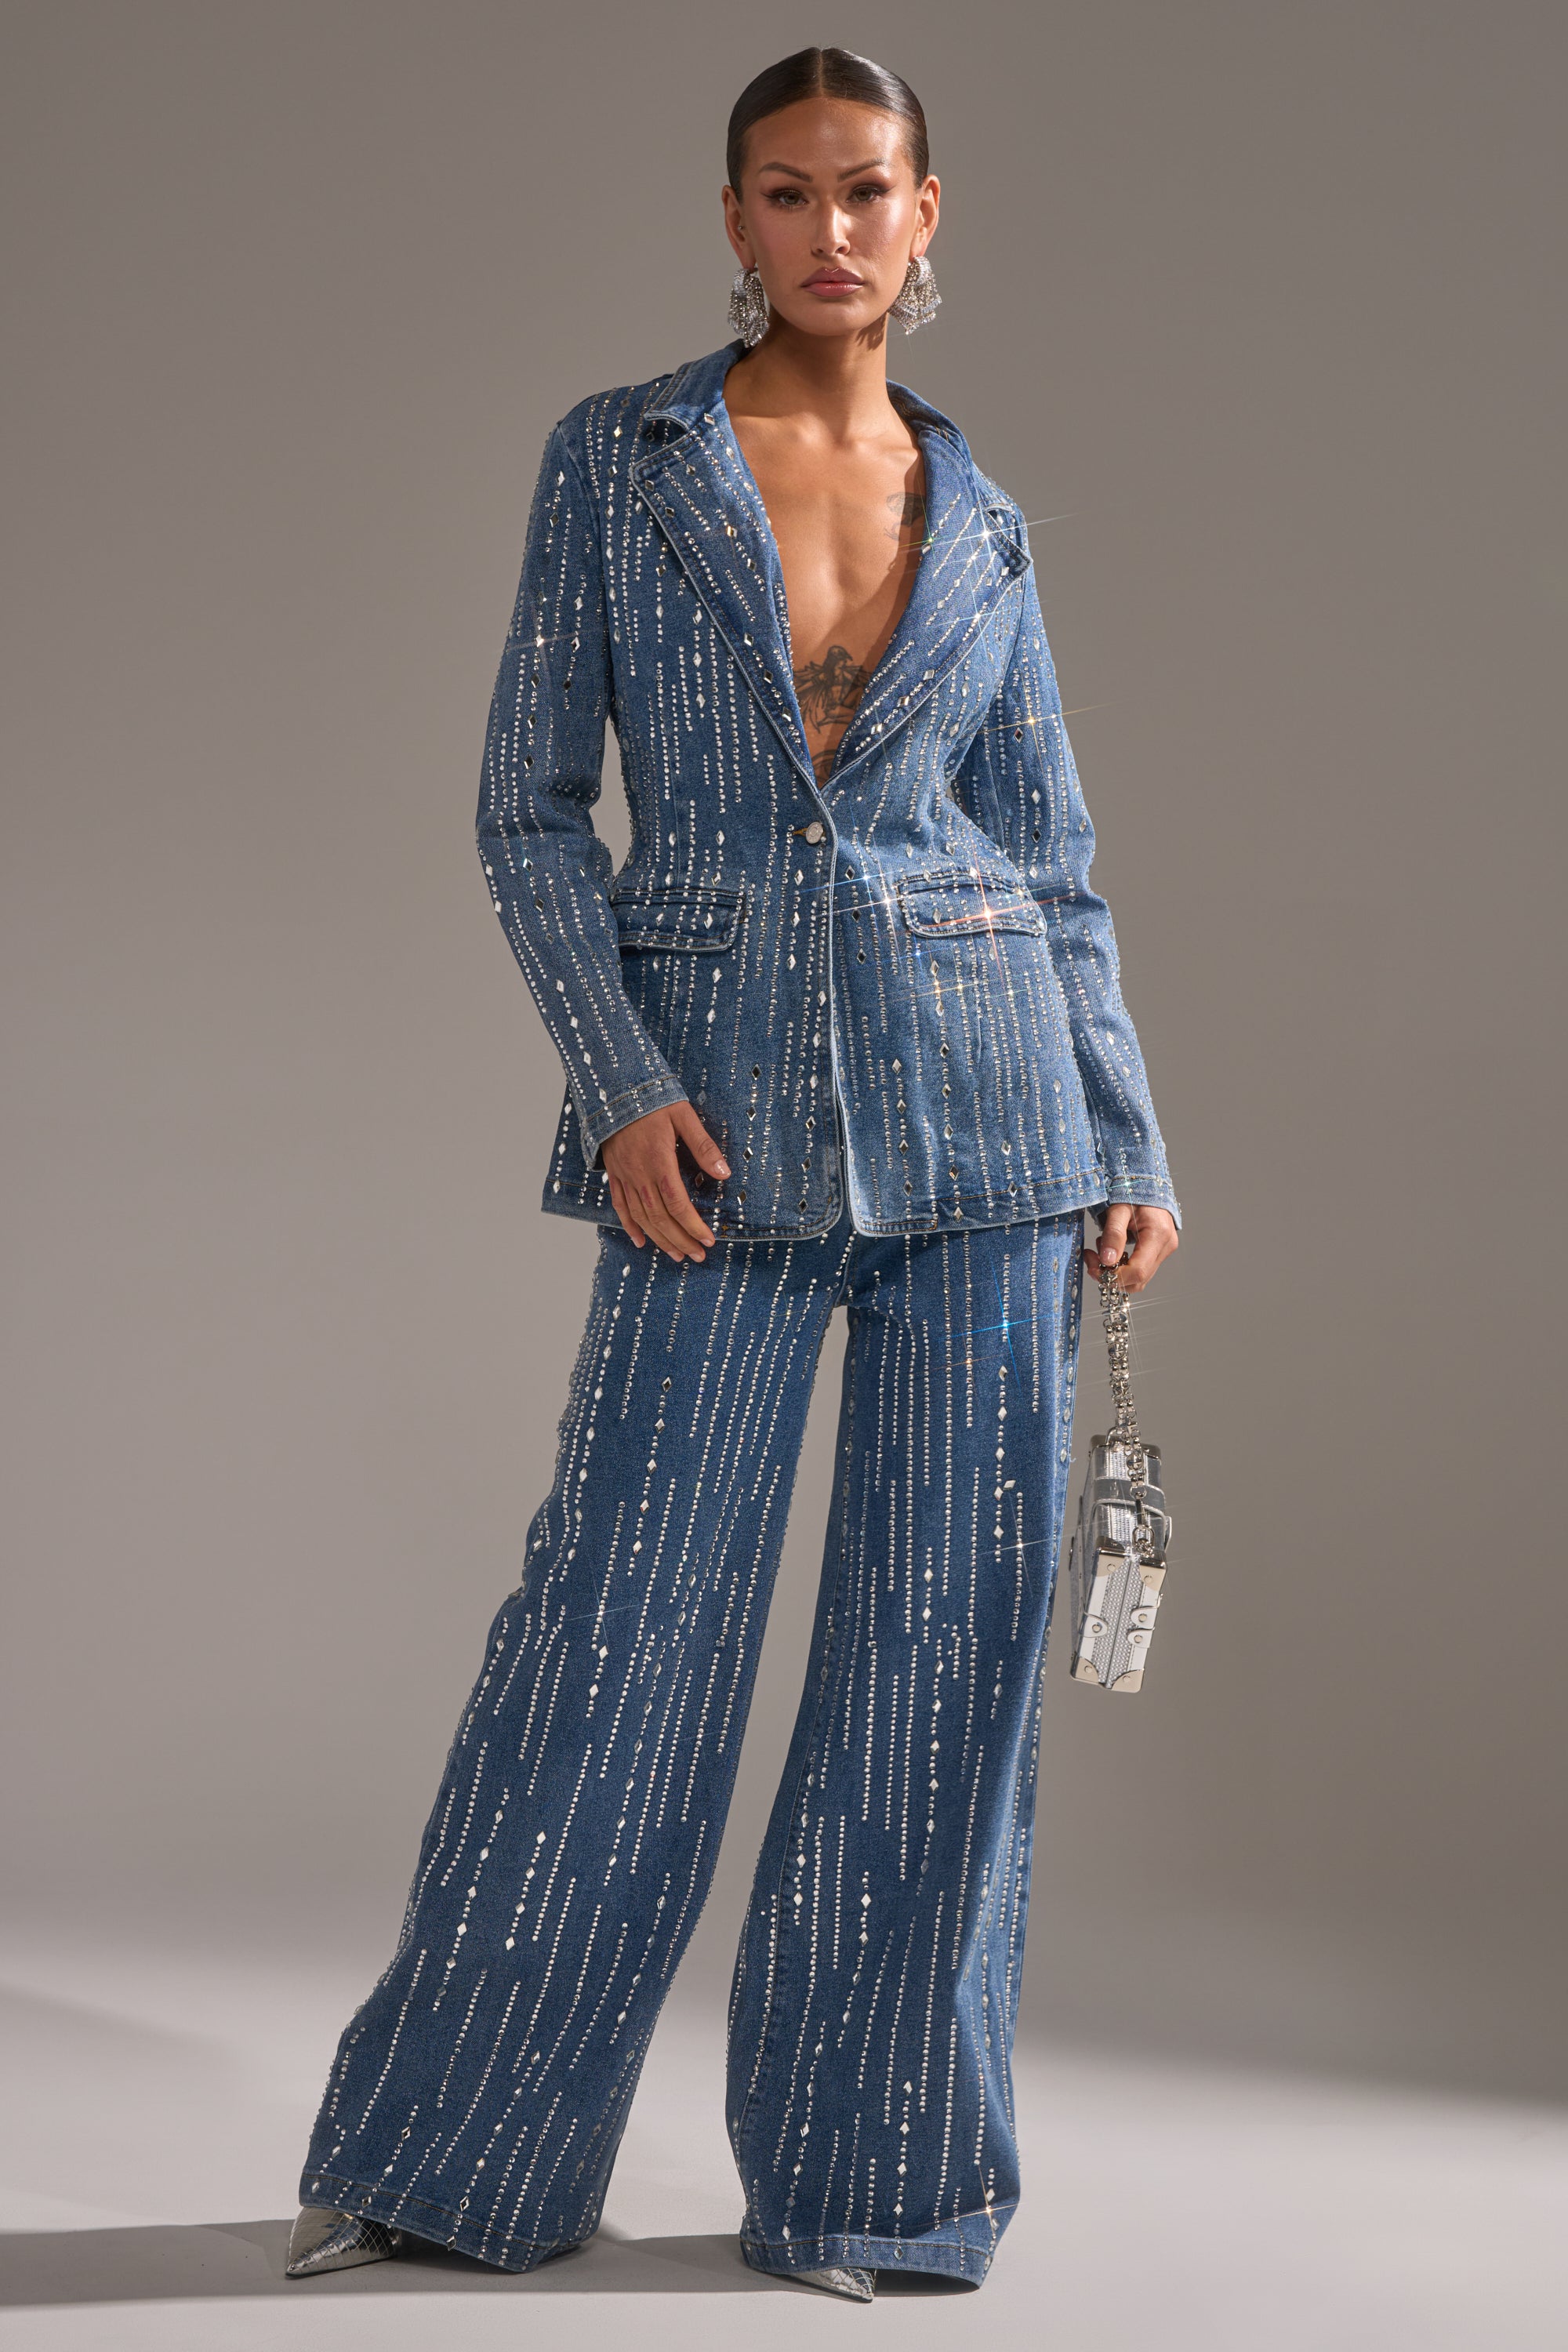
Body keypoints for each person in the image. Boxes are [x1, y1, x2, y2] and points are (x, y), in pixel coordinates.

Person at [285, 44, 1179, 2301]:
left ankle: (875, 2188)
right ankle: (454, 2167)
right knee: (615, 1636)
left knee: (938, 1672)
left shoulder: (984, 522)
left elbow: (1051, 868)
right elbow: (524, 807)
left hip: (992, 1141)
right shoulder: (623, 463)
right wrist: (617, 1079)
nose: (828, 234)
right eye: (783, 195)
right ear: (731, 221)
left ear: (929, 212)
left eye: (865, 191)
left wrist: (1126, 1132)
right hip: (715, 1144)